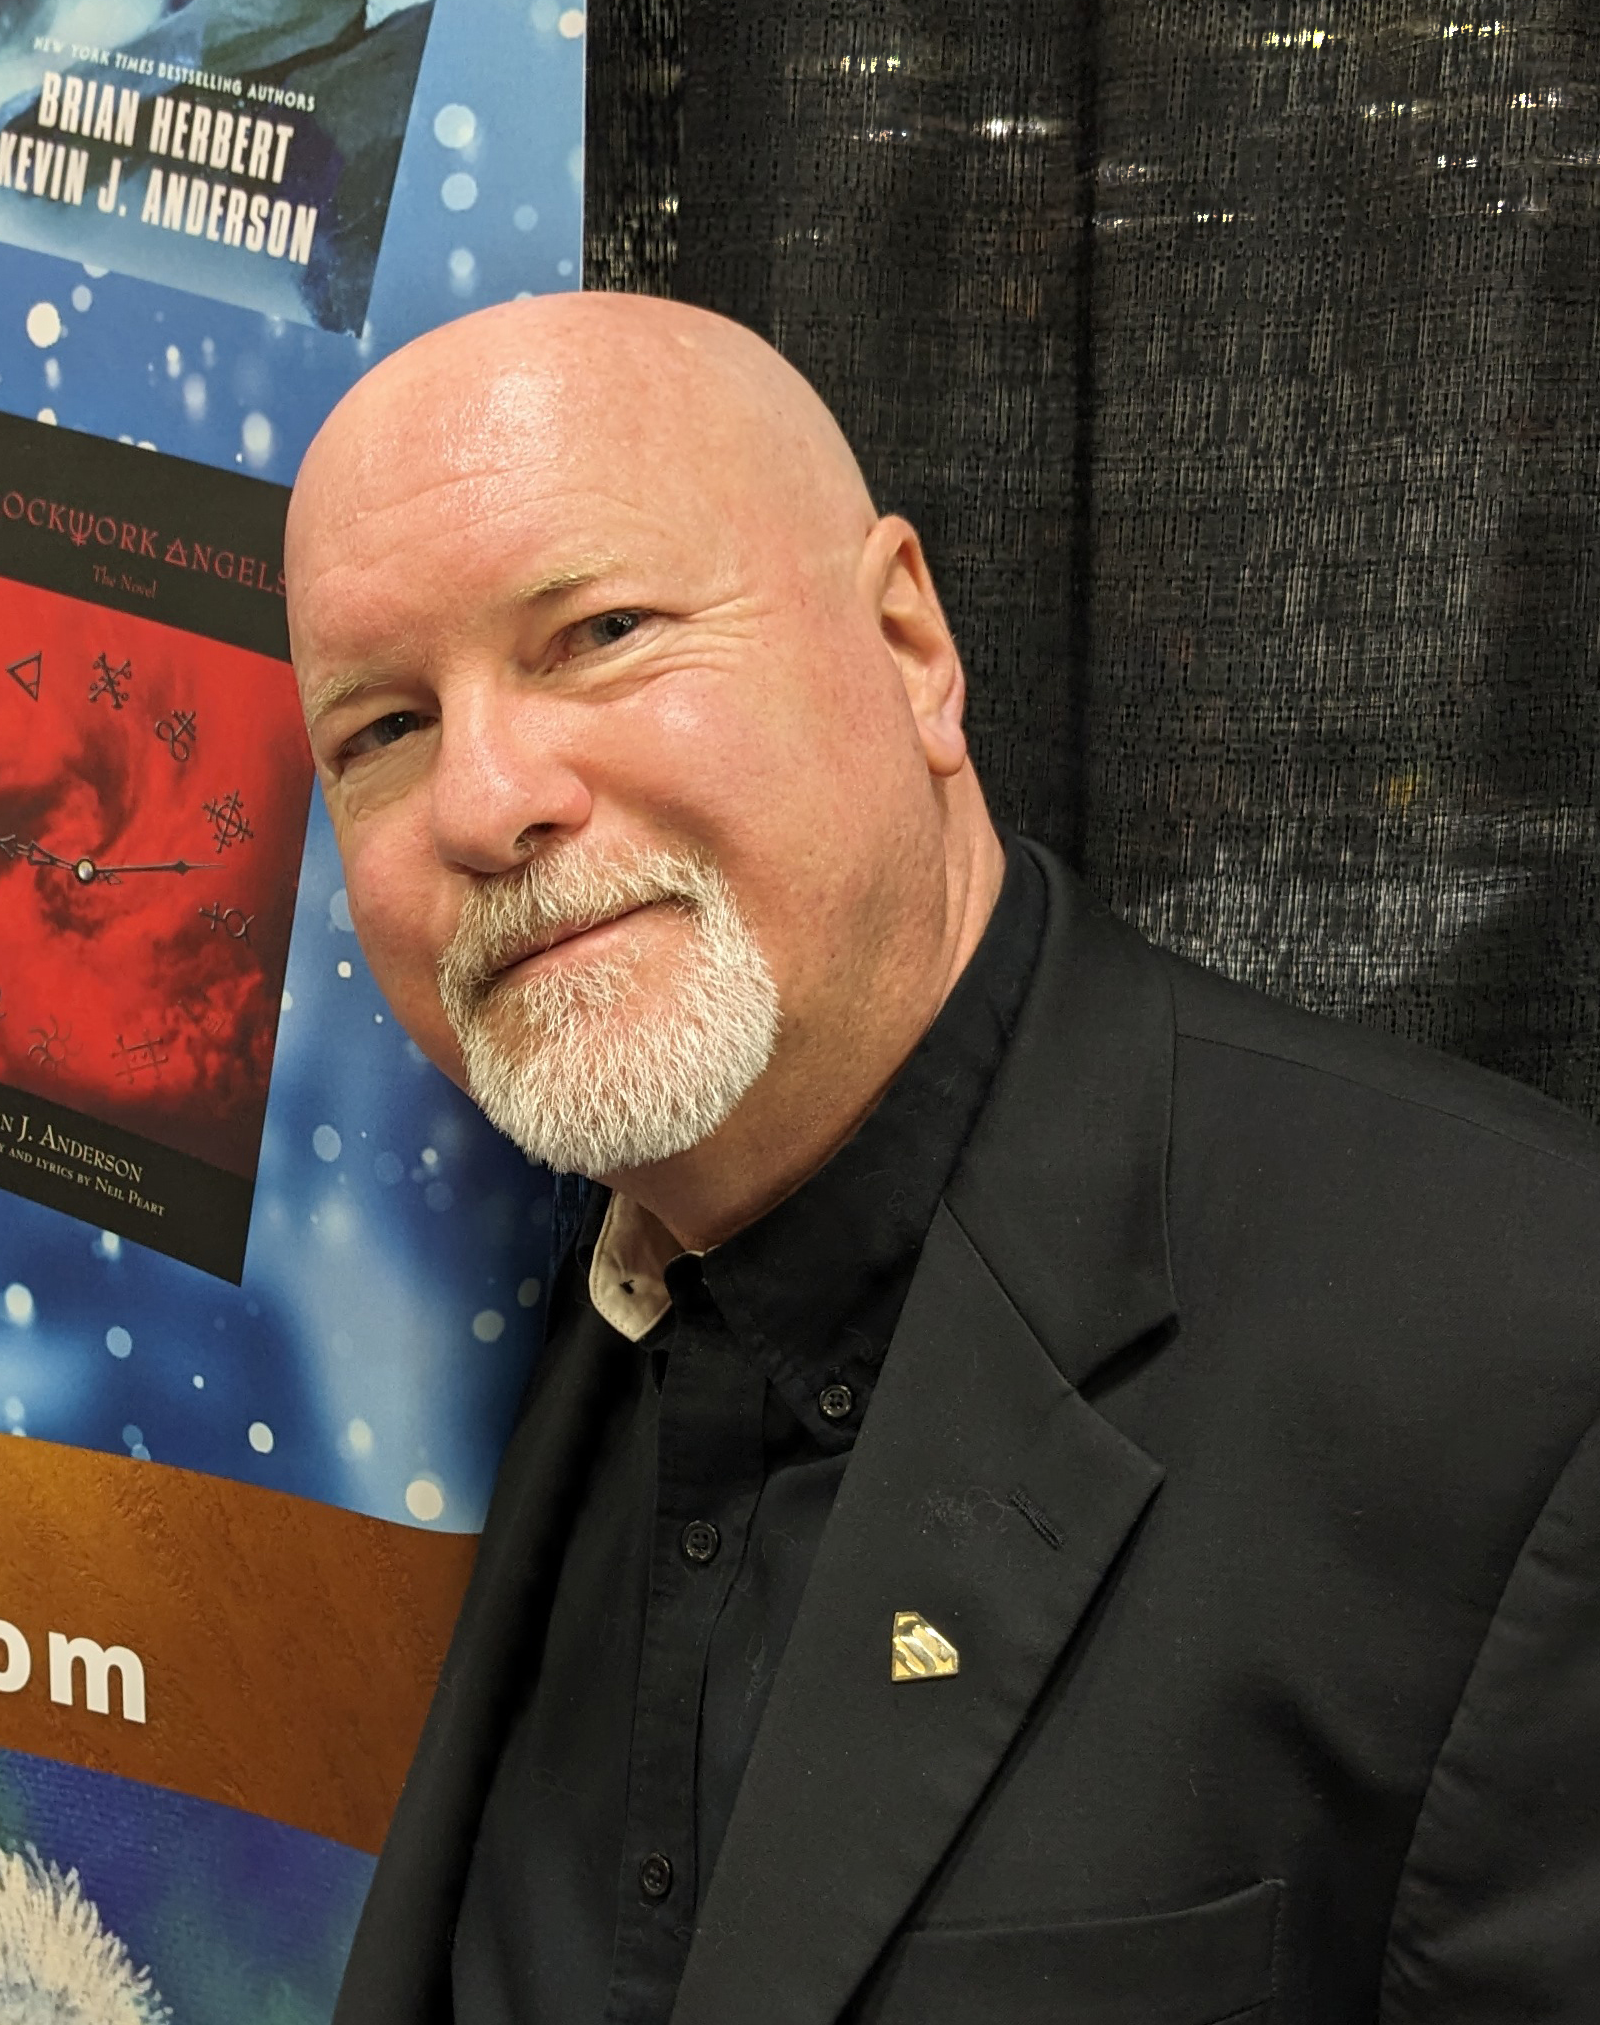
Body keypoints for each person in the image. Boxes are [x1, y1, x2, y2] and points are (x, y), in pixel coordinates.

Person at [285, 293, 1600, 2025]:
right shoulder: (461, 1344)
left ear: (907, 644)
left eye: (597, 633)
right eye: (381, 731)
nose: (482, 800)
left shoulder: (1523, 1363)